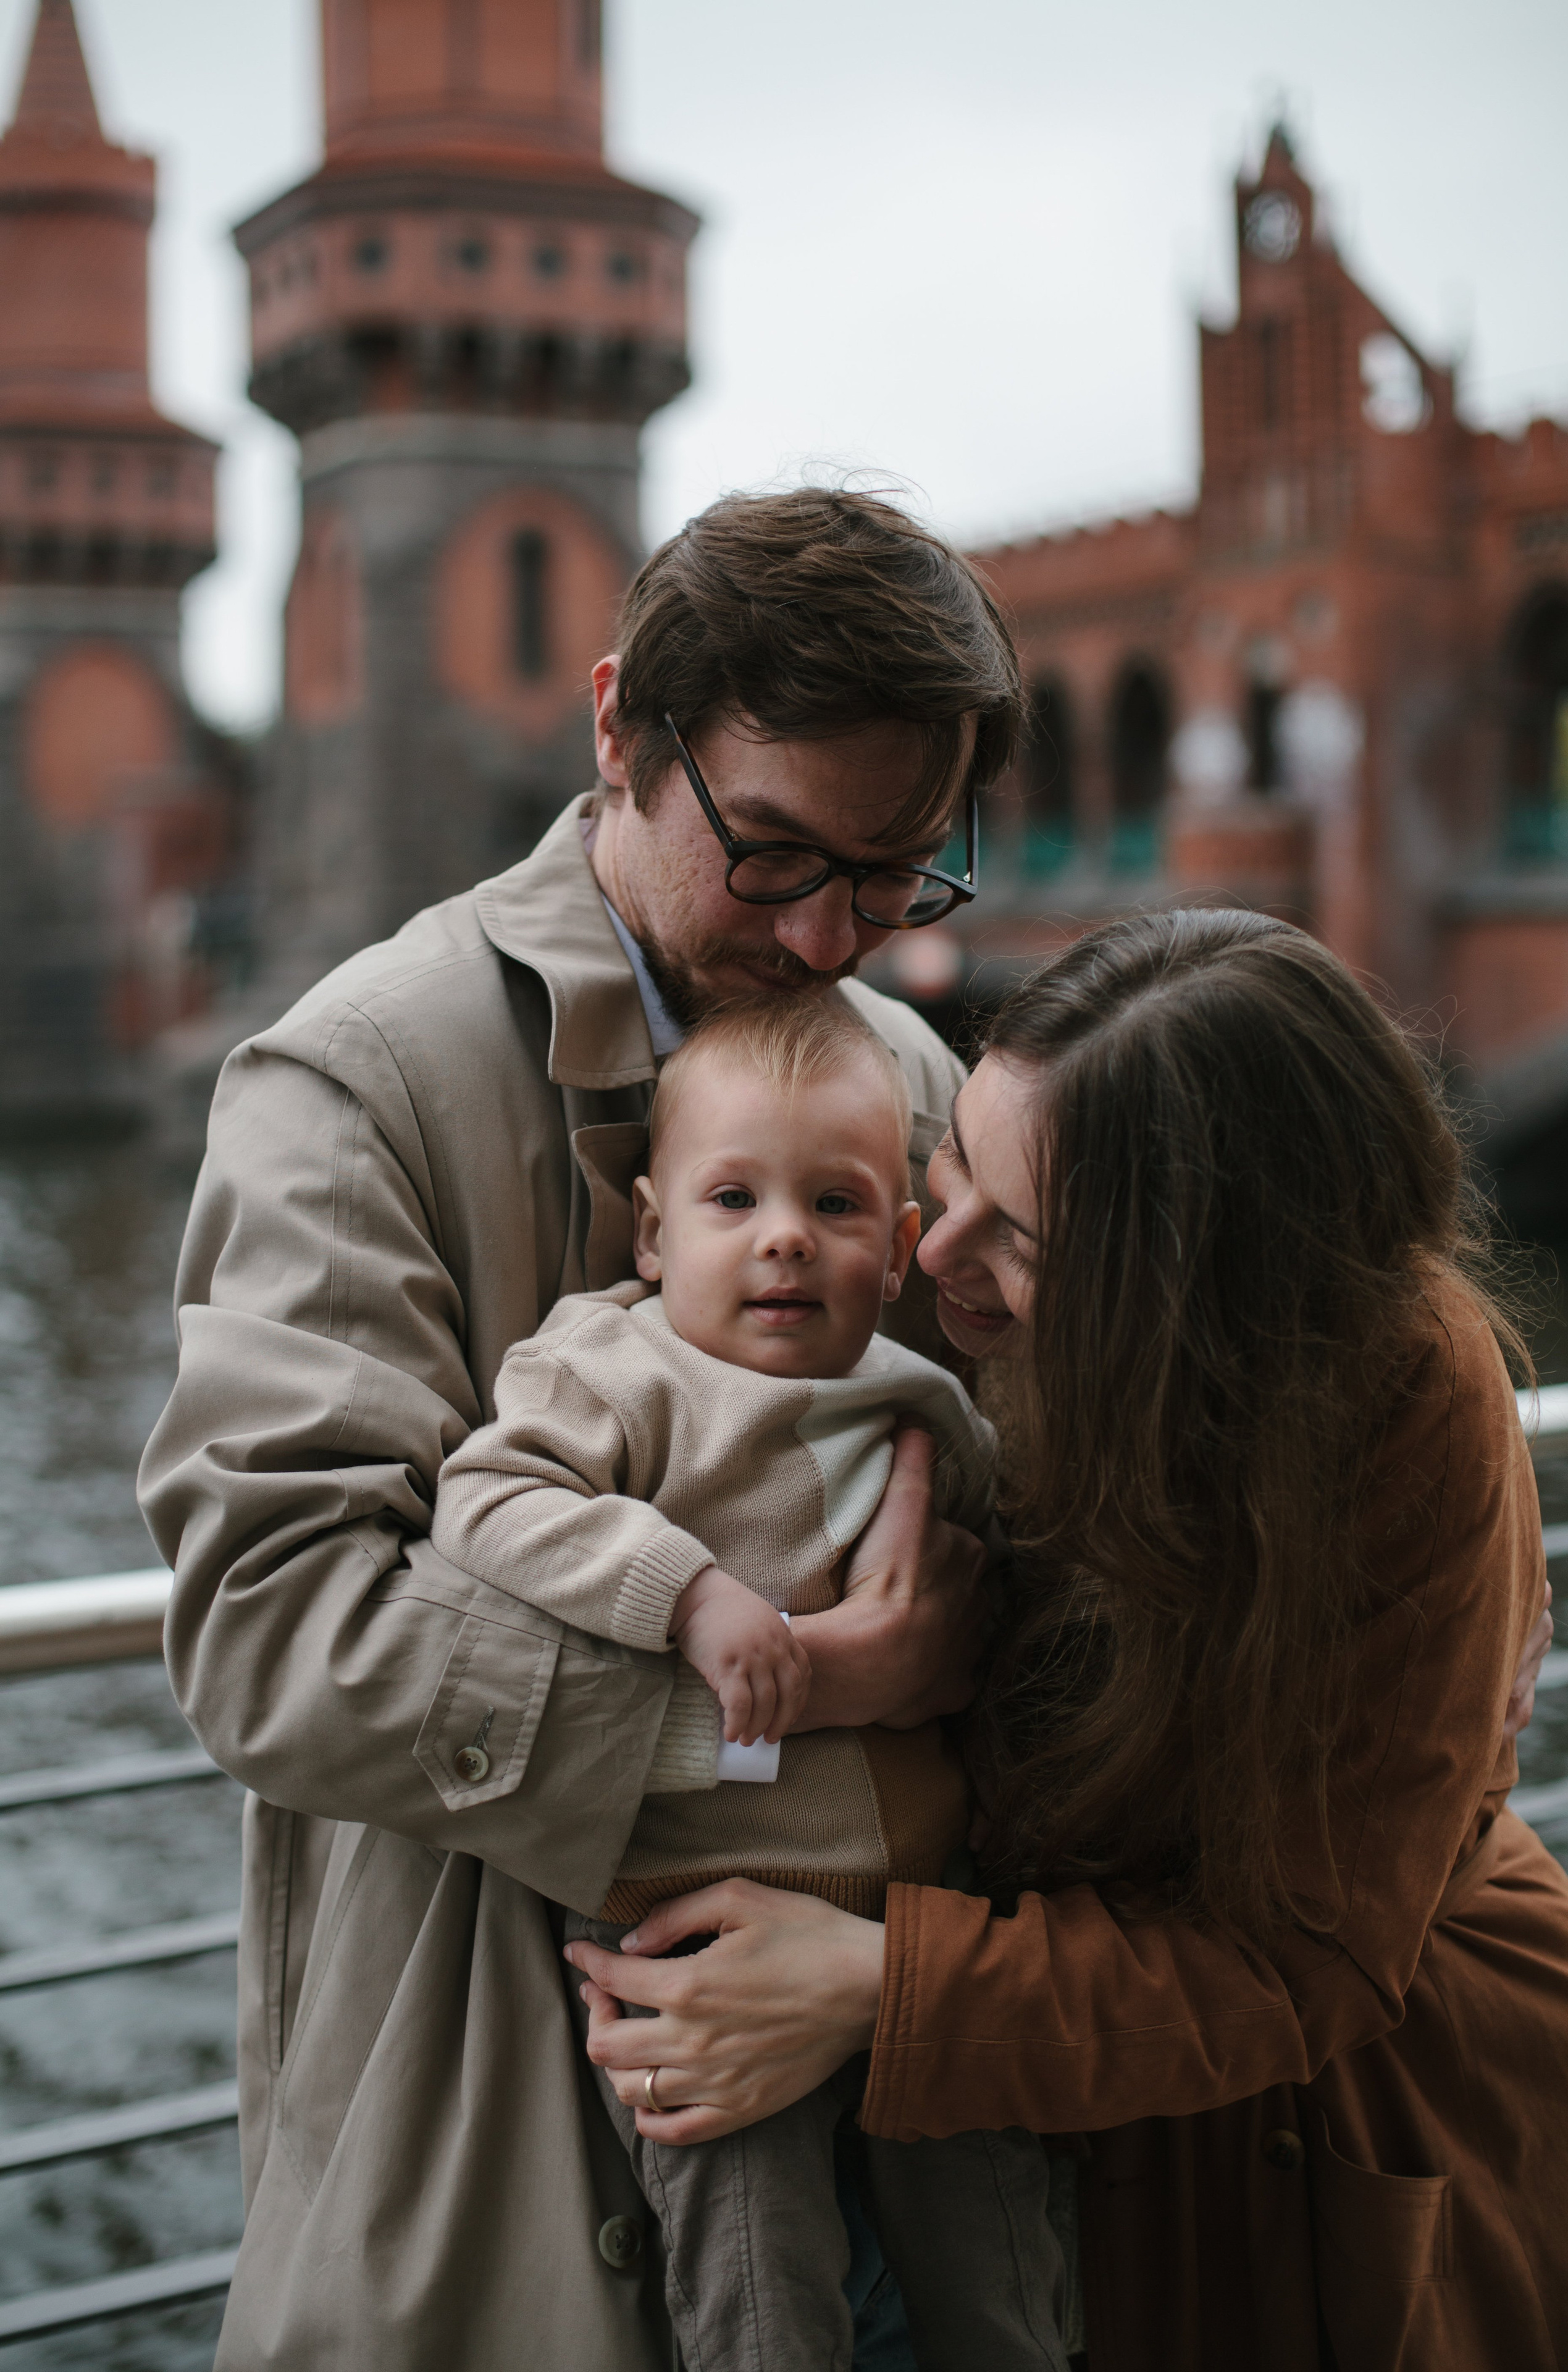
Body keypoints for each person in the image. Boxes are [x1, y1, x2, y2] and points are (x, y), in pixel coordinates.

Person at [136, 486, 1023, 2371]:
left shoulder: (921, 1075)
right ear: (620, 727)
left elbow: (1051, 1518)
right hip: (489, 2179)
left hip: (908, 2120)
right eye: (773, 854)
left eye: (896, 878)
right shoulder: (353, 1081)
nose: (825, 941)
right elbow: (271, 1629)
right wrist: (806, 1696)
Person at [565, 910, 1568, 2372]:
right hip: (1027, 2117)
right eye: (957, 1155)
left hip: (1327, 2132)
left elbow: (1303, 1957)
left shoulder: (1394, 1404)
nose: (938, 1249)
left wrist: (867, 1985)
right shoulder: (870, 1238)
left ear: (1200, 1297)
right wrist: (843, 1676)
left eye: (1030, 1242)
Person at [430, 994, 1069, 2372]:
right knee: (756, 2277)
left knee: (997, 2242)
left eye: (834, 1205)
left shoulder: (919, 1402)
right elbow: (487, 1502)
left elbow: (1014, 1573)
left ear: (897, 1251)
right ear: (655, 1232)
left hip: (922, 1920)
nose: (783, 1235)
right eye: (733, 1198)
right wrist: (687, 1593)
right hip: (700, 1941)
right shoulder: (614, 1367)